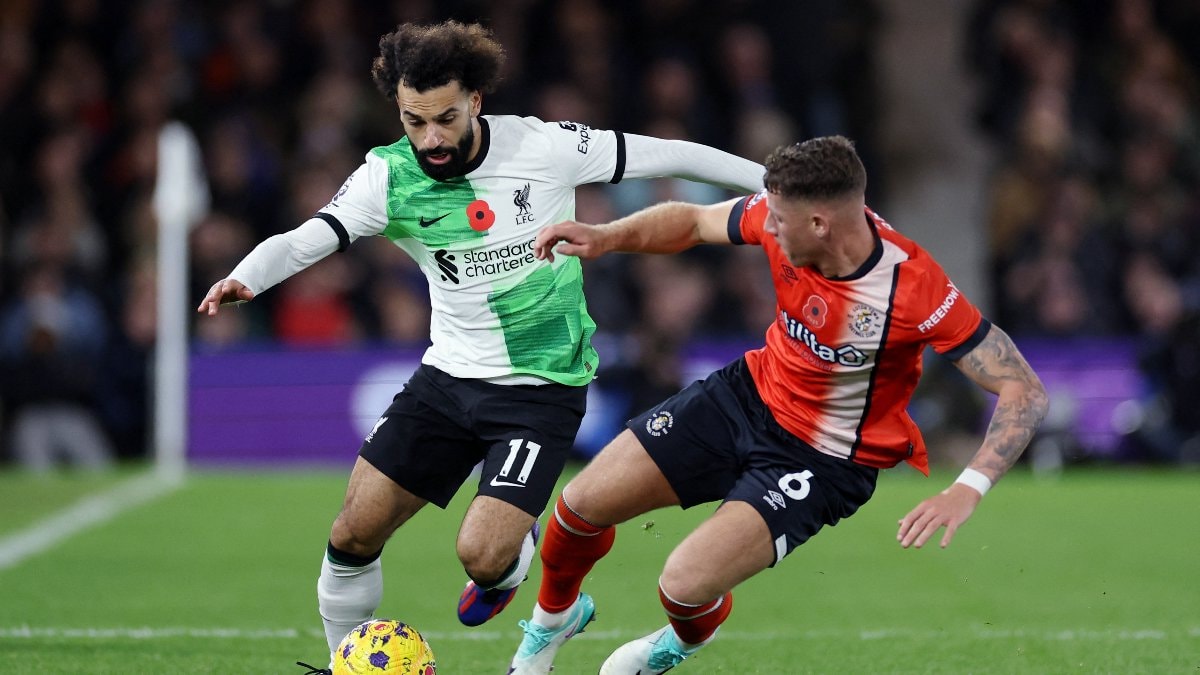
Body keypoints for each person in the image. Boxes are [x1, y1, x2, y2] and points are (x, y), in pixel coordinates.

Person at [194, 20, 765, 669]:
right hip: (446, 378)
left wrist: (775, 183)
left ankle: (511, 563)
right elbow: (308, 237)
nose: (430, 138)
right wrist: (247, 275)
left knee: (483, 556)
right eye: (414, 121)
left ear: (475, 100)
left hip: (541, 389)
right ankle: (343, 664)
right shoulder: (388, 175)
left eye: (444, 119)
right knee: (352, 531)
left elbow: (674, 154)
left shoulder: (544, 146)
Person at [507, 135, 1049, 674]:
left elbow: (1023, 389)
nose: (766, 226)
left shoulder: (911, 287)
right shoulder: (779, 213)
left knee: (683, 587)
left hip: (826, 459)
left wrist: (967, 488)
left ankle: (683, 638)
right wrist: (606, 236)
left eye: (779, 220)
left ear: (820, 224)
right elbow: (693, 221)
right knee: (579, 505)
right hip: (747, 396)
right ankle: (552, 622)